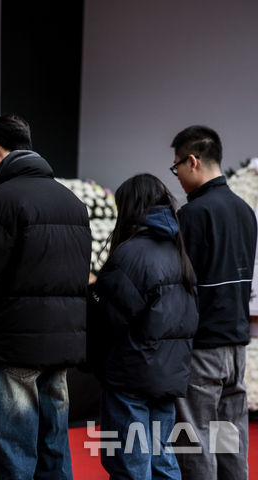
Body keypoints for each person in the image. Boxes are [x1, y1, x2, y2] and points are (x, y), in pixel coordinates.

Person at [0, 114, 92, 479]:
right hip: (63, 341)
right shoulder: (73, 202)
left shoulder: (2, 199)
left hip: (14, 344)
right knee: (54, 442)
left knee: (14, 446)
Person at [88, 174, 198, 479]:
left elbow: (106, 318)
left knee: (128, 463)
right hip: (166, 374)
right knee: (162, 456)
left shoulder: (131, 254)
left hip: (130, 376)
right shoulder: (177, 250)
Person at [170, 126, 257, 480]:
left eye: (176, 168)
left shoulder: (193, 215)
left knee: (195, 439)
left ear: (192, 161)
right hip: (236, 347)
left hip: (202, 348)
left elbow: (178, 282)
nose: (176, 177)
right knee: (229, 437)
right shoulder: (245, 211)